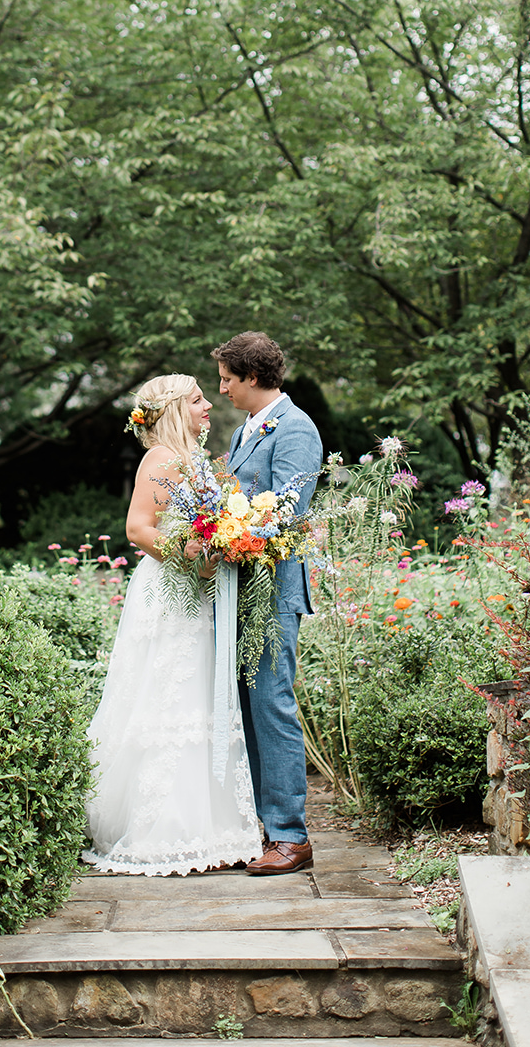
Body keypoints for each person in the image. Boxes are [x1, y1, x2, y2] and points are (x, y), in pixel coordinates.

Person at [83, 373, 261, 875]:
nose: (209, 405)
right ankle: (167, 828)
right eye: (198, 399)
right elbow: (137, 528)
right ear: (175, 410)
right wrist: (191, 559)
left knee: (199, 696)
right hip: (171, 592)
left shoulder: (191, 460)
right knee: (171, 695)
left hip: (195, 592)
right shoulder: (160, 458)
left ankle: (206, 825)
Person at [212, 331, 322, 876]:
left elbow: (286, 512)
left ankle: (290, 836)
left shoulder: (296, 428)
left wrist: (227, 531)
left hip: (273, 589)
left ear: (253, 377)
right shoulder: (244, 432)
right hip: (239, 584)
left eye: (229, 379)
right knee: (245, 708)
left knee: (271, 703)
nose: (224, 390)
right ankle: (259, 824)